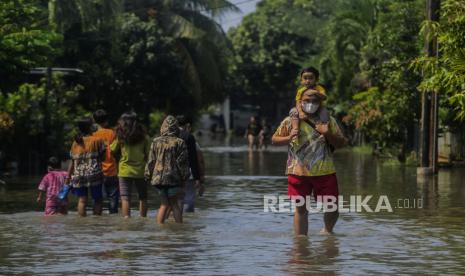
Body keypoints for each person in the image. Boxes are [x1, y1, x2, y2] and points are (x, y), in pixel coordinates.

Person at [272, 88, 348, 236]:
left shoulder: (328, 121)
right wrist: (288, 138)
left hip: (324, 171)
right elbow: (274, 140)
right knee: (301, 209)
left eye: (314, 101)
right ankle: (301, 243)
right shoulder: (290, 121)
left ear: (320, 103)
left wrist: (326, 132)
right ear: (300, 102)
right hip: (298, 171)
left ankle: (327, 231)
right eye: (307, 100)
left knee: (332, 206)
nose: (310, 103)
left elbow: (341, 143)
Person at [145, 115, 189, 224]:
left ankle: (160, 230)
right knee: (174, 204)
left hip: (158, 179)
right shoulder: (180, 142)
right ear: (176, 127)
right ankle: (179, 229)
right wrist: (185, 177)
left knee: (164, 204)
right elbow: (182, 162)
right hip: (173, 179)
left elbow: (151, 160)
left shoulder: (155, 141)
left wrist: (147, 175)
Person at [110, 112, 150, 218]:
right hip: (140, 171)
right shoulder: (144, 137)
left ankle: (126, 219)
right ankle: (143, 219)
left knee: (125, 198)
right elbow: (149, 154)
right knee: (143, 197)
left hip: (124, 171)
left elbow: (112, 149)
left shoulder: (121, 137)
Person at [66, 118, 106, 217]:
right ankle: (96, 222)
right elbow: (103, 157)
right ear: (90, 127)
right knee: (97, 199)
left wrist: (68, 177)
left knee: (82, 200)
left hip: (78, 174)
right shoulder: (97, 140)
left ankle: (82, 223)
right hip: (94, 173)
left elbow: (72, 161)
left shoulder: (75, 142)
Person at [290, 67, 330, 138]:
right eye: (305, 78)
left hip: (318, 109)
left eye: (311, 78)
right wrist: (301, 112)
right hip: (304, 109)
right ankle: (295, 129)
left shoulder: (319, 88)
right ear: (301, 80)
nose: (308, 81)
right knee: (293, 111)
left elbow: (324, 97)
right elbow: (298, 102)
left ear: (316, 79)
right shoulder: (300, 91)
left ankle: (324, 129)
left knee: (325, 111)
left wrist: (315, 92)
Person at [92, 109, 119, 214]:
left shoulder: (93, 135)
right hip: (112, 170)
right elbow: (116, 150)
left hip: (97, 171)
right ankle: (113, 216)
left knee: (97, 199)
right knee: (113, 198)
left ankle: (97, 221)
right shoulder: (112, 133)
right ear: (106, 120)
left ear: (94, 121)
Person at [176, 115, 205, 213]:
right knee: (189, 199)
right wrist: (198, 178)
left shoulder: (169, 136)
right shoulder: (189, 137)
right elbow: (194, 159)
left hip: (171, 172)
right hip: (187, 172)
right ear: (187, 125)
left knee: (172, 199)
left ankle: (174, 221)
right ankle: (187, 221)